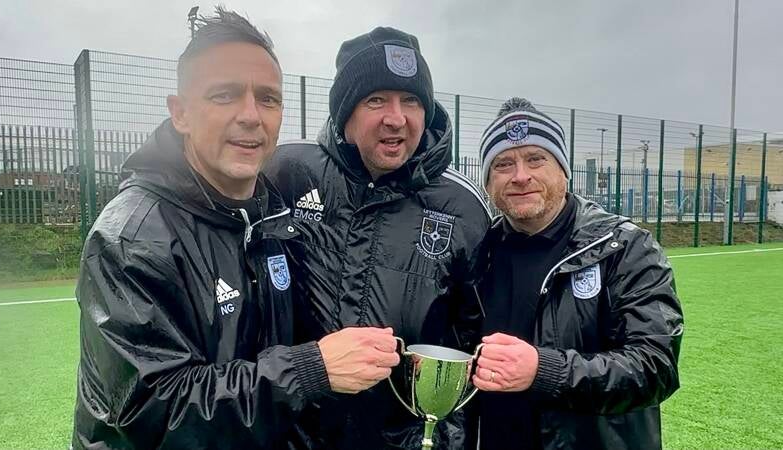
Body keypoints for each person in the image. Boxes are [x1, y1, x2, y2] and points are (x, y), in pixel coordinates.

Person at [71, 8, 400, 449]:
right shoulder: (131, 238)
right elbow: (154, 412)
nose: (251, 116)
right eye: (225, 95)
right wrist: (310, 370)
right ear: (181, 113)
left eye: (268, 98)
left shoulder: (274, 218)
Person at [265, 27, 491, 449]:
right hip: (292, 437)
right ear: (345, 112)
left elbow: (472, 344)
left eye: (411, 101)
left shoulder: (463, 206)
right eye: (376, 100)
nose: (396, 117)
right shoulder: (286, 173)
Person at [470, 97, 684, 450]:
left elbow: (655, 366)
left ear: (563, 169)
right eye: (503, 164)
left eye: (535, 159)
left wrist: (544, 370)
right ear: (489, 183)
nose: (520, 176)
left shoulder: (625, 247)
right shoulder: (479, 253)